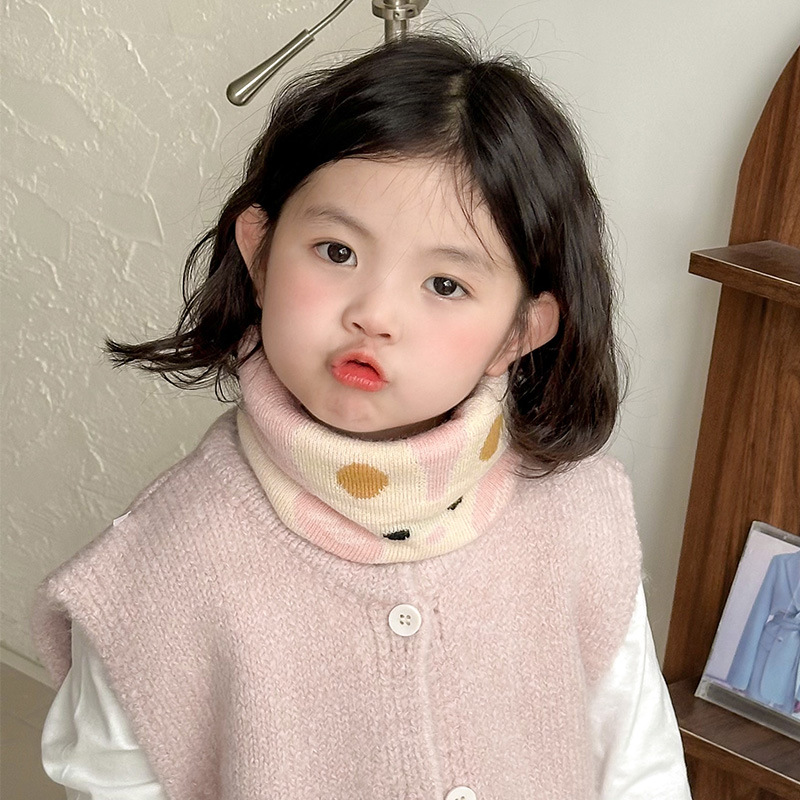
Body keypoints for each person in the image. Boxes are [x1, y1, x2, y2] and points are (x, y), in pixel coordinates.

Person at [31, 33, 691, 800]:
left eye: (445, 285)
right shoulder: (157, 570)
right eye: (337, 252)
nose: (374, 313)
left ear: (519, 332)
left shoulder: (581, 518)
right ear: (260, 252)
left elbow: (639, 768)